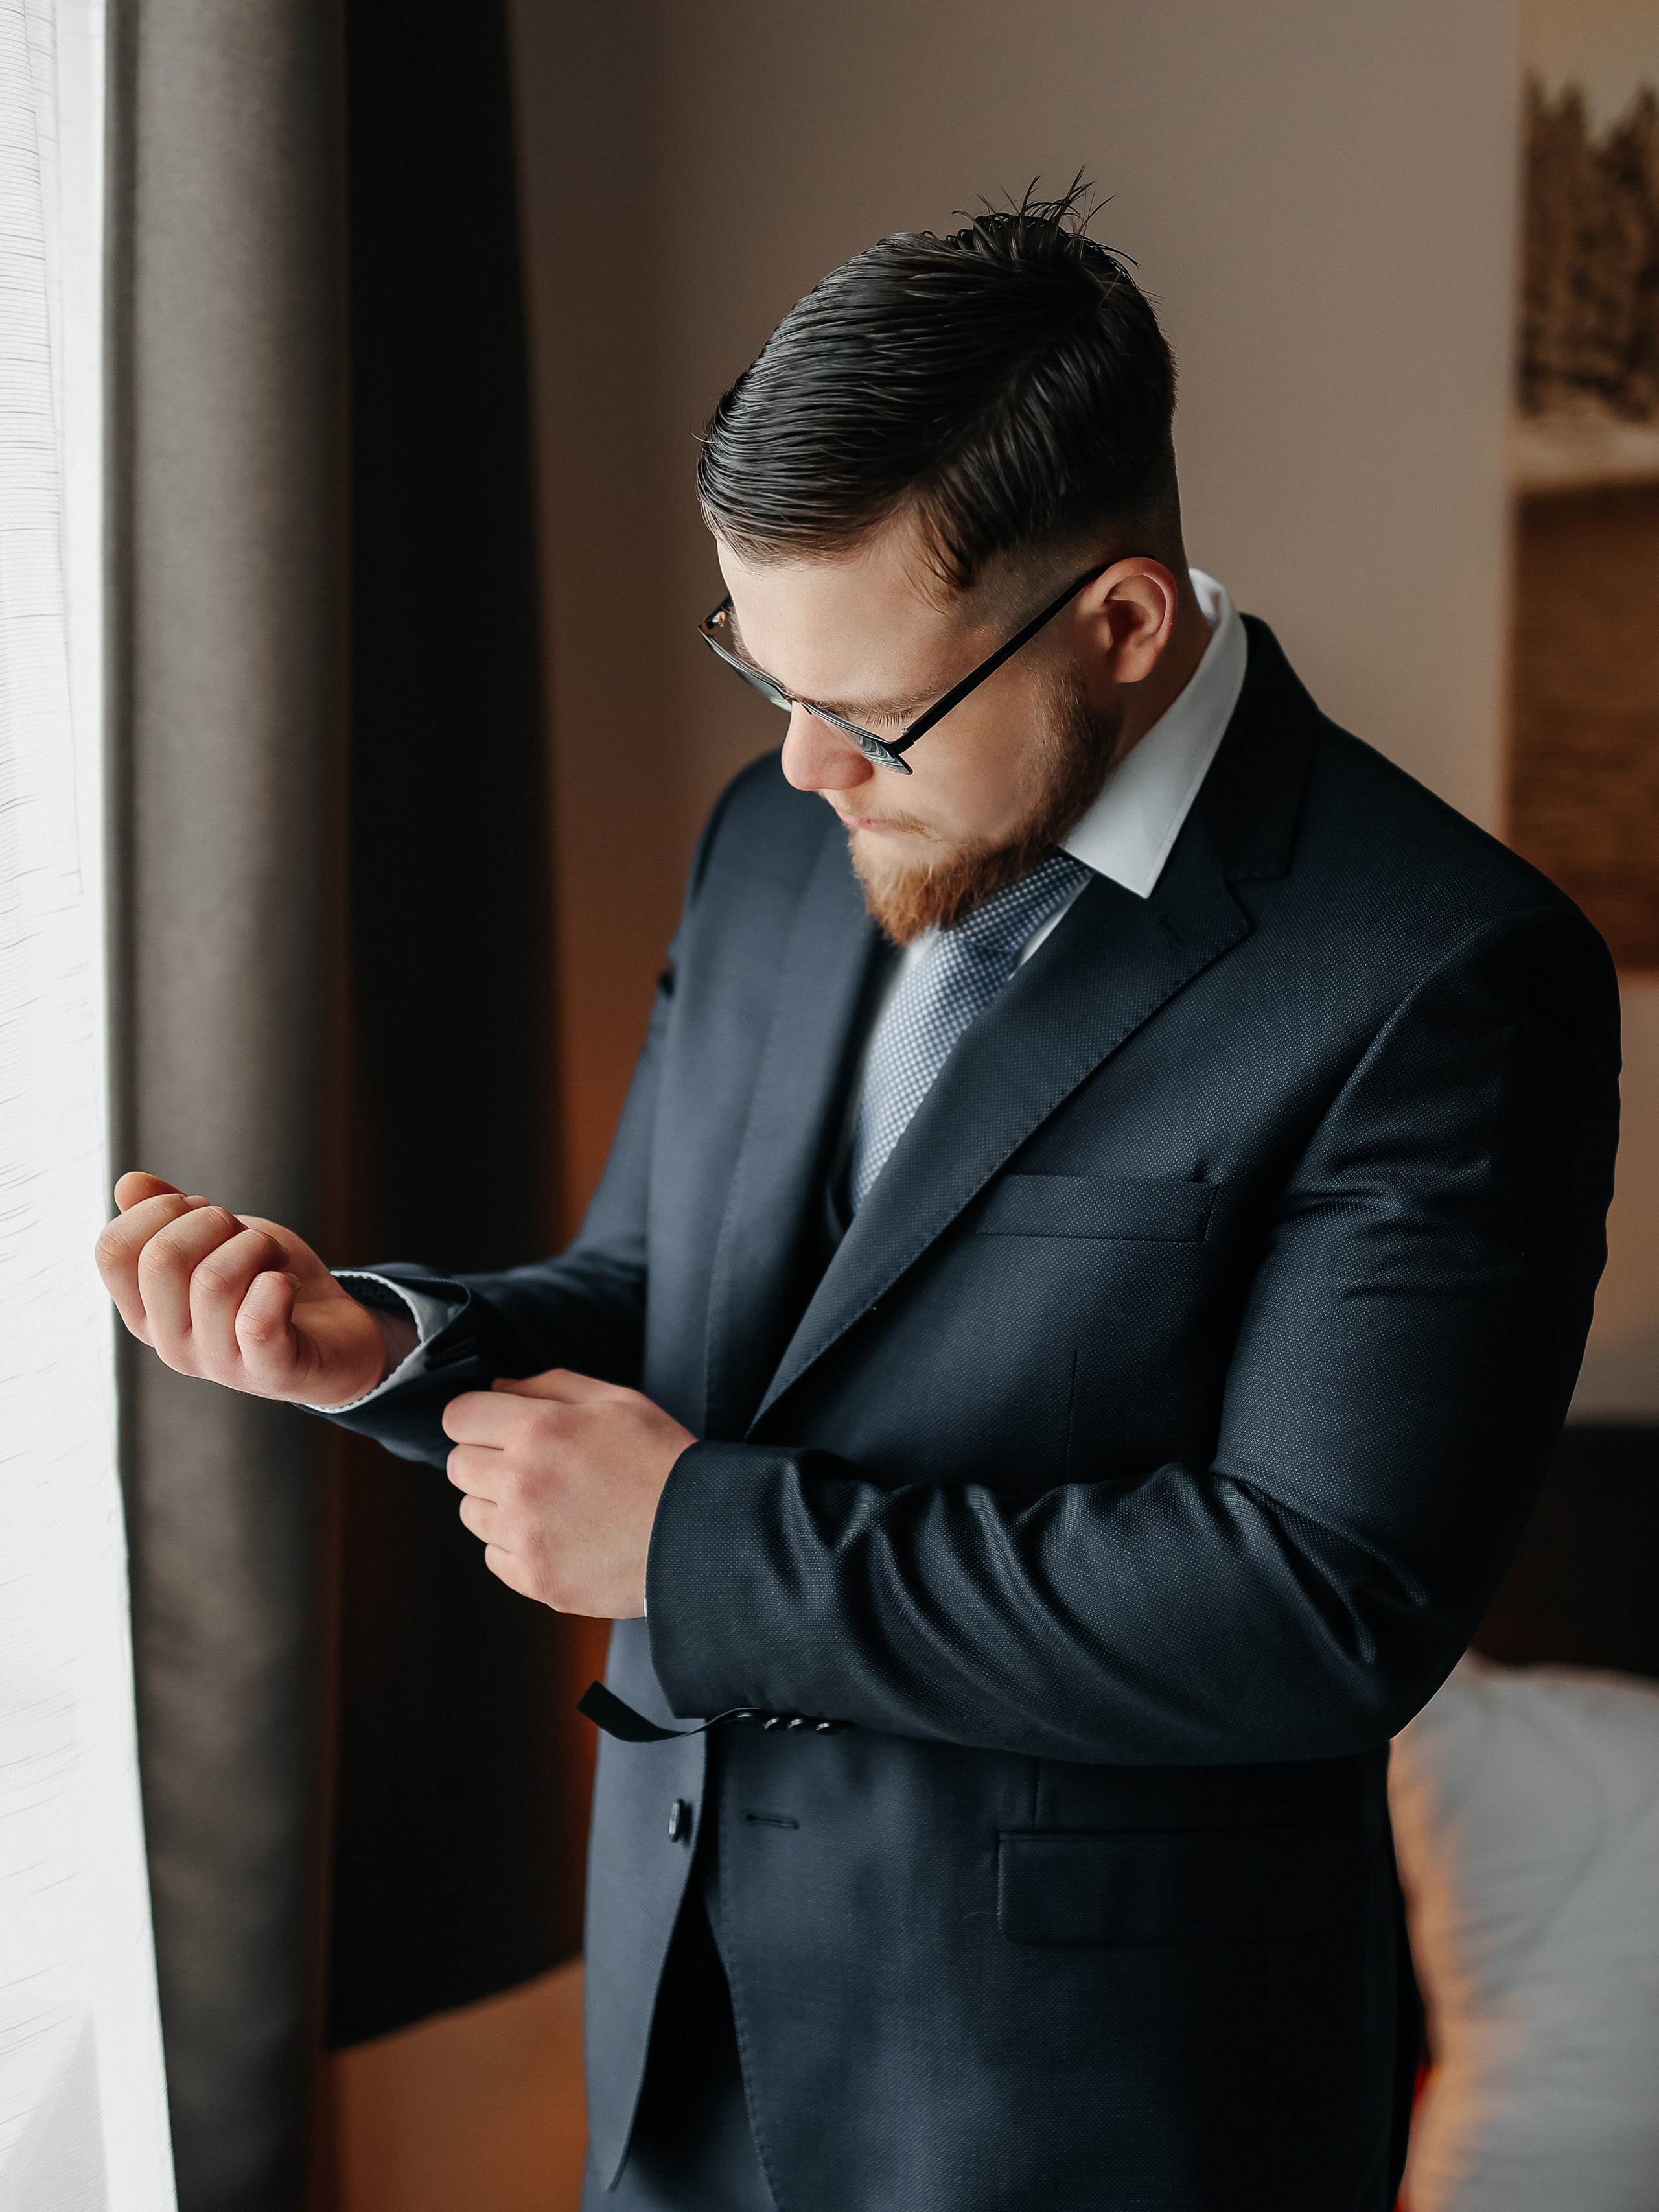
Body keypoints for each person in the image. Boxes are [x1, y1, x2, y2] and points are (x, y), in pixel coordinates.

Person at [96, 187, 1621, 2209]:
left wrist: (700, 1546)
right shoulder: (774, 836)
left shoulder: (1442, 971)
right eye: (763, 675)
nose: (806, 773)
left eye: (873, 712)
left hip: (1089, 2120)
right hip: (682, 2032)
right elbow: (682, 1299)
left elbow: (1316, 1607)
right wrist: (385, 1342)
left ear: (1125, 624)